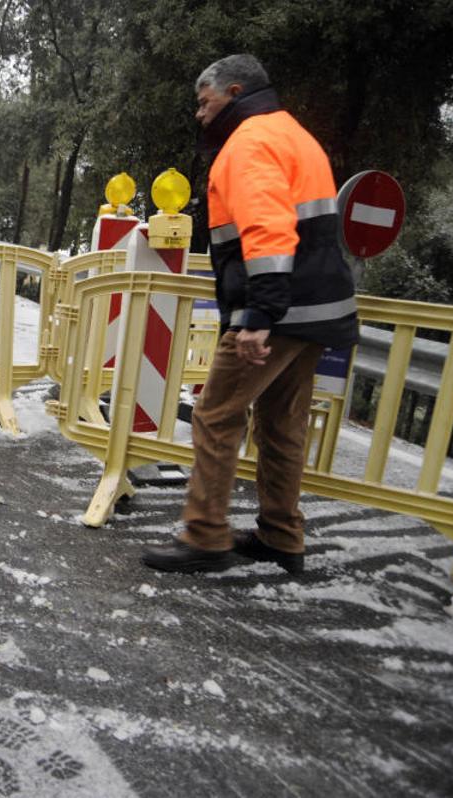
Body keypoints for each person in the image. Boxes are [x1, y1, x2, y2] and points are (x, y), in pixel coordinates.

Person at [141, 54, 358, 574]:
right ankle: (282, 536)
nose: (199, 113)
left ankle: (206, 535)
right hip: (314, 311)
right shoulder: (295, 136)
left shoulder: (249, 142)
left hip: (277, 312)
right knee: (282, 425)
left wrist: (258, 314)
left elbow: (266, 230)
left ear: (234, 92)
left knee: (215, 414)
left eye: (204, 101)